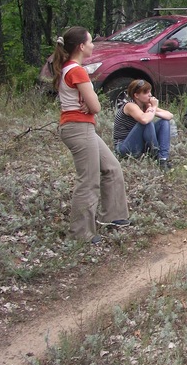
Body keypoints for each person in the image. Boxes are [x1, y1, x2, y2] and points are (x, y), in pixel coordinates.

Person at [52, 26, 130, 245]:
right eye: (90, 41)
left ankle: (114, 217)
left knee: (112, 167)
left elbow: (89, 104)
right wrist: (90, 104)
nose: (93, 45)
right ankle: (80, 234)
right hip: (78, 128)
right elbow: (96, 106)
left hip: (81, 126)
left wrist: (88, 104)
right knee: (88, 181)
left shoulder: (70, 68)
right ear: (81, 46)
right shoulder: (76, 70)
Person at [113, 79, 174, 170]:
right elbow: (144, 120)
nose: (150, 95)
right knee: (147, 123)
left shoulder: (146, 105)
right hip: (124, 147)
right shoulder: (130, 106)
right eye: (145, 92)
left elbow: (169, 115)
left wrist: (153, 110)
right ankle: (155, 154)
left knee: (164, 122)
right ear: (136, 95)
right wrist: (153, 108)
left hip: (139, 144)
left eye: (150, 91)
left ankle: (163, 159)